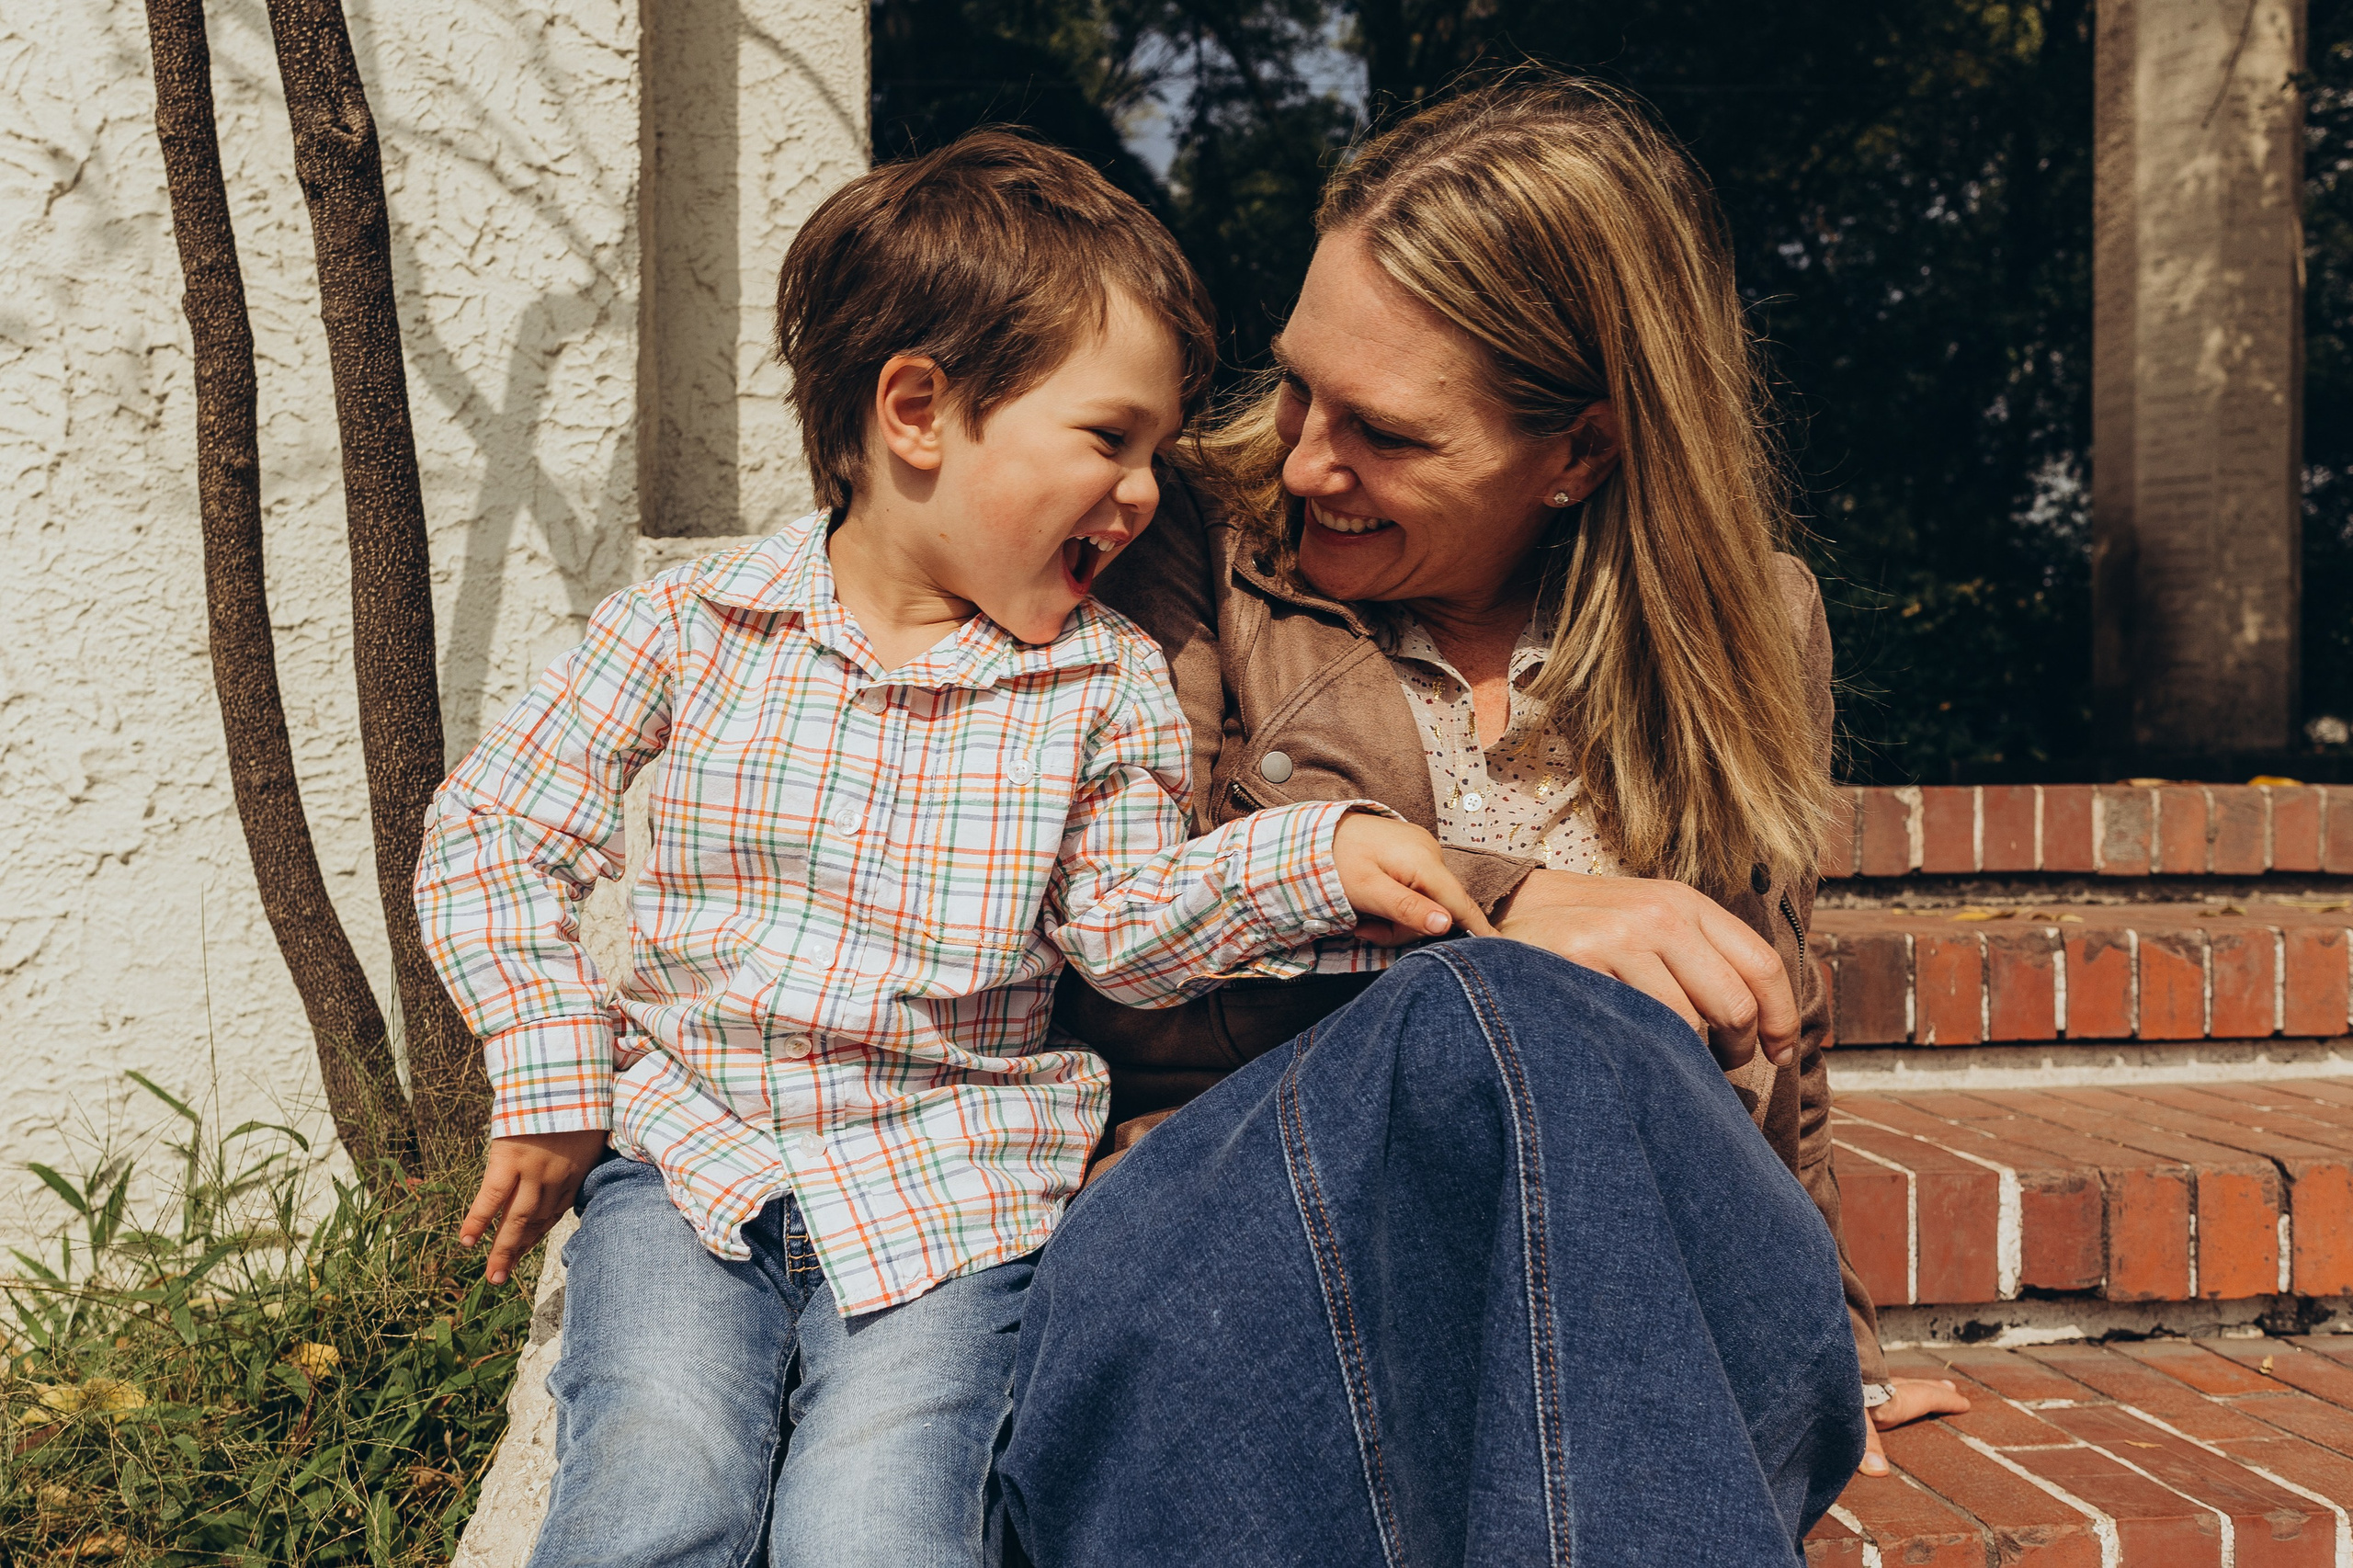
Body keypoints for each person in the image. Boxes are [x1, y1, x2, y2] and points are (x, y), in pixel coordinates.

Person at [411, 132, 1492, 1568]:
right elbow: (492, 827)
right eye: (1108, 439)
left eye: (1157, 454)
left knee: (874, 1532)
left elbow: (1122, 918)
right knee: (655, 1491)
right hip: (690, 1159)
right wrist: (549, 1078)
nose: (1144, 494)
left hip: (953, 1187)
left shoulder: (1102, 682)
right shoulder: (687, 626)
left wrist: (1322, 856)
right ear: (917, 409)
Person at [996, 76, 1969, 1566]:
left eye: (1383, 431)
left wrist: (1820, 1325)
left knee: (1564, 1045)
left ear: (1578, 452)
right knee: (1494, 1012)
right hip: (1245, 1289)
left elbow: (1783, 1018)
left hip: (1631, 1321)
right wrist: (1501, 901)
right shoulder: (1170, 532)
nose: (1308, 455)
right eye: (1300, 385)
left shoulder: (1754, 622)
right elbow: (1094, 915)